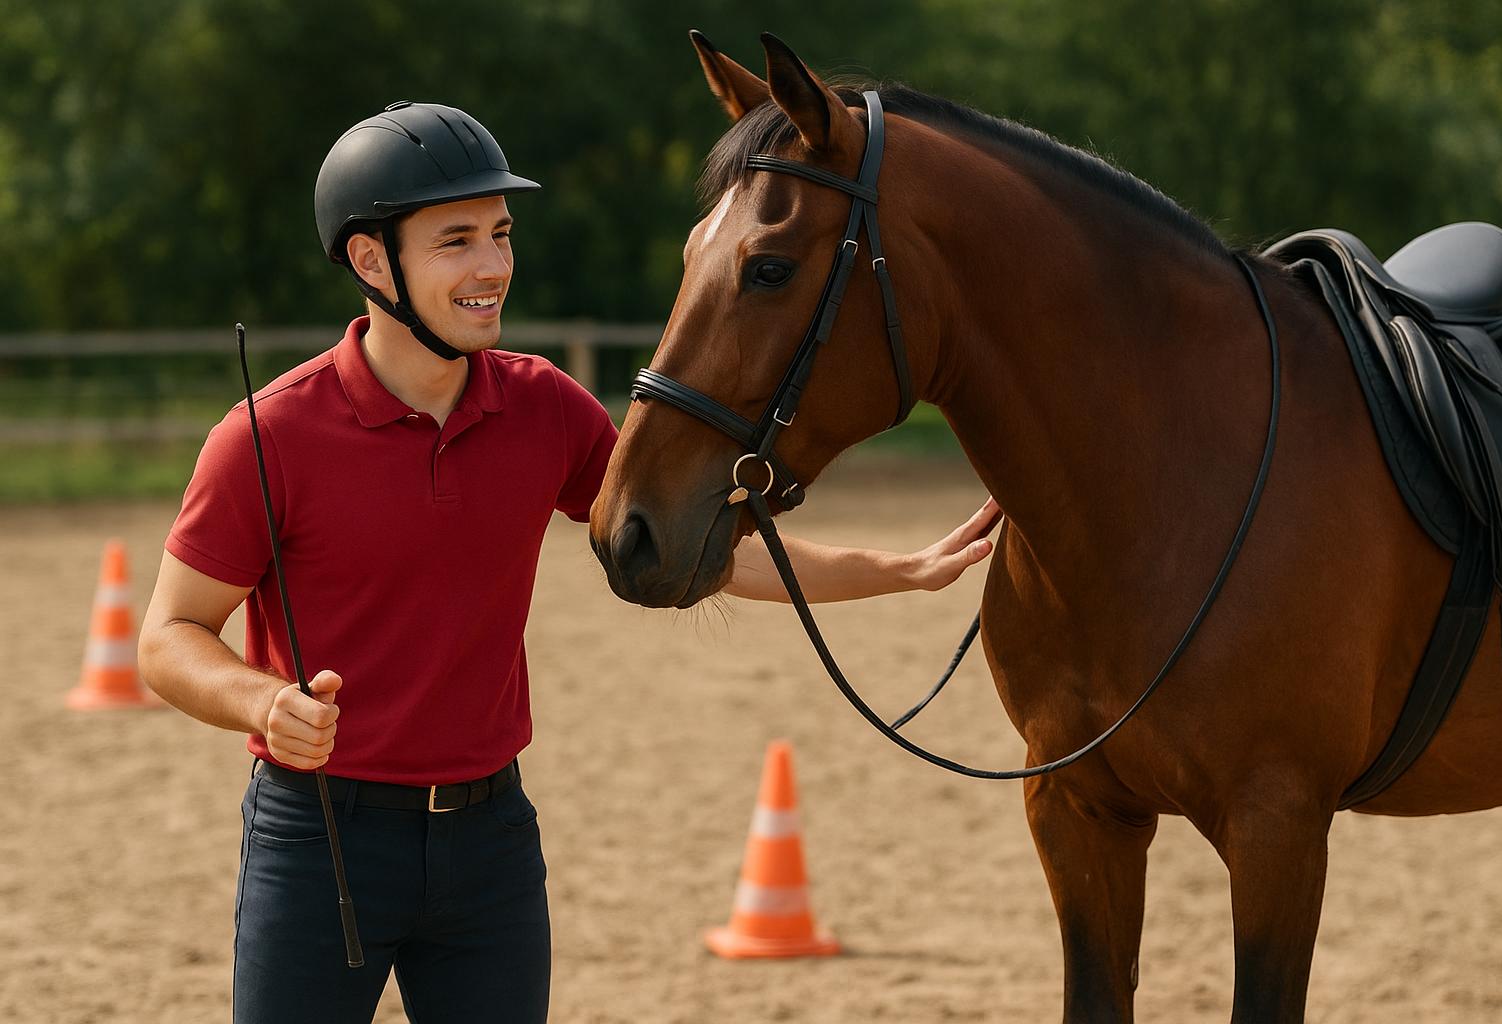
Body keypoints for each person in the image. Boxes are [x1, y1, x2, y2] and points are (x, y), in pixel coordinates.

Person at [138, 101, 999, 1024]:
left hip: (489, 846)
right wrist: (262, 702)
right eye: (456, 240)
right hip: (317, 844)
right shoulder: (267, 437)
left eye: (501, 235)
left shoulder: (543, 407)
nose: (493, 267)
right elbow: (169, 635)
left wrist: (897, 569)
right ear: (369, 260)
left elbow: (707, 551)